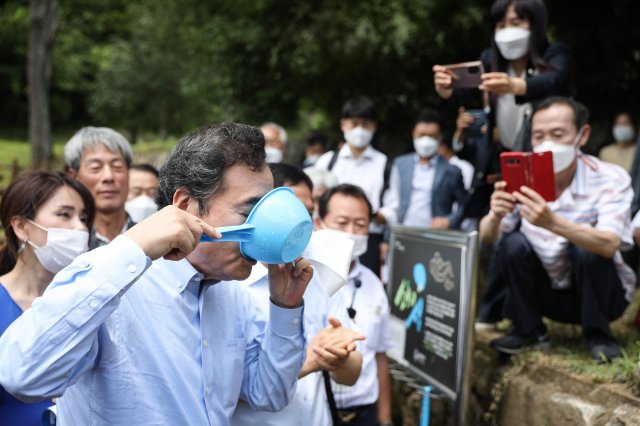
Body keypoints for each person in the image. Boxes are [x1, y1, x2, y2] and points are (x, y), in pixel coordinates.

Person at [0, 122, 314, 424]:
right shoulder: (110, 283)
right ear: (187, 206)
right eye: (250, 212)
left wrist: (286, 307)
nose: (264, 231)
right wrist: (130, 248)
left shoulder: (232, 294)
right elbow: (21, 375)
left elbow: (269, 394)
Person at [480, 97, 635, 362]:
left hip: (602, 295)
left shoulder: (610, 177)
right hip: (548, 295)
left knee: (587, 247)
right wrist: (495, 214)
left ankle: (598, 335)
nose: (547, 143)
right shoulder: (522, 177)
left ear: (582, 135)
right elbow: (487, 236)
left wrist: (552, 223)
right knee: (511, 243)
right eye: (539, 135)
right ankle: (529, 329)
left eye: (558, 134)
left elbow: (610, 244)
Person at [231, 163, 364, 426]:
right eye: (290, 213)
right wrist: (309, 360)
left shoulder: (317, 274)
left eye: (308, 214)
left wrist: (338, 357)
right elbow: (217, 390)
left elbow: (351, 374)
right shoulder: (230, 283)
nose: (300, 225)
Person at [433, 0, 572, 220]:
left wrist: (516, 86)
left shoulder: (554, 54)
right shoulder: (490, 60)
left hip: (549, 161)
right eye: (501, 25)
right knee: (502, 230)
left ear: (535, 25)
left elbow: (556, 80)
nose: (508, 31)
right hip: (504, 163)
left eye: (516, 22)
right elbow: (467, 93)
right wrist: (446, 90)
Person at [0, 170, 94, 425]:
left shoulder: (91, 301)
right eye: (65, 214)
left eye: (84, 218)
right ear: (21, 226)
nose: (80, 228)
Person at [317, 184, 394, 425]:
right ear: (319, 222)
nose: (351, 231)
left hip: (364, 414)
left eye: (360, 225)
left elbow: (379, 355)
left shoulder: (373, 284)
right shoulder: (302, 279)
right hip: (315, 412)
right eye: (342, 222)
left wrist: (385, 418)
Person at [315, 97, 388, 277]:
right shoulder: (328, 161)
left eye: (365, 124)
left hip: (367, 239)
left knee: (365, 283)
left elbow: (393, 209)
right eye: (354, 123)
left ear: (374, 126)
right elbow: (315, 200)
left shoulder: (384, 164)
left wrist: (367, 216)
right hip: (331, 235)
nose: (359, 130)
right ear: (343, 124)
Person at [376, 110, 468, 230]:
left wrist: (450, 221)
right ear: (414, 133)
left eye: (432, 136)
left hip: (434, 236)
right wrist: (386, 239)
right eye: (422, 135)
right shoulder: (400, 164)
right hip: (403, 233)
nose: (426, 140)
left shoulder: (451, 171)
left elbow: (466, 205)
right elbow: (392, 203)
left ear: (440, 137)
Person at [64, 126, 136, 249]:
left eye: (117, 166)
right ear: (73, 177)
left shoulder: (152, 238)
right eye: (95, 168)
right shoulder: (65, 244)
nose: (108, 177)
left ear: (129, 173)